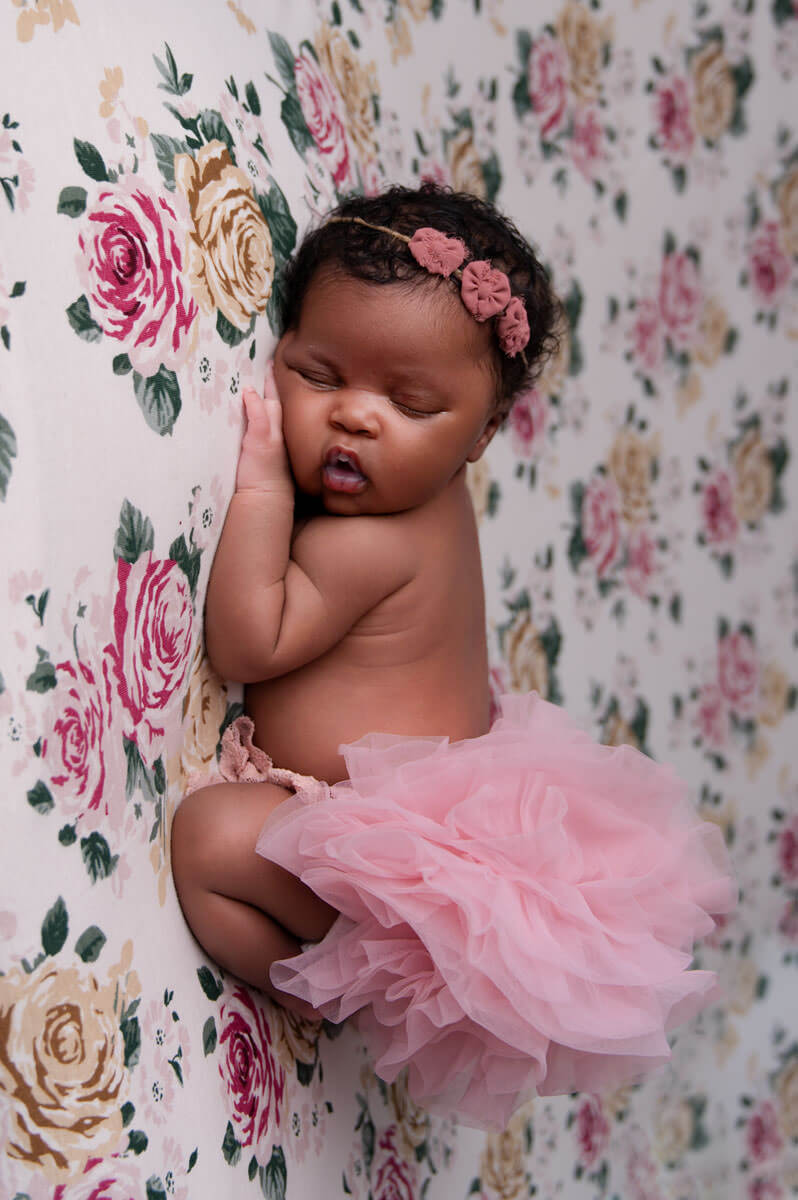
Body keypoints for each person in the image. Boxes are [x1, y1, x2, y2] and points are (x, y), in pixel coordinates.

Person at [171, 184, 735, 1129]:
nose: (355, 418)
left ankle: (328, 980)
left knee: (208, 839)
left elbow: (247, 639)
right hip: (415, 831)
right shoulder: (425, 494)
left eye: (410, 402)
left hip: (386, 875)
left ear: (478, 436)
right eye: (319, 375)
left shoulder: (372, 541)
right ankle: (347, 965)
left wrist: (265, 482)